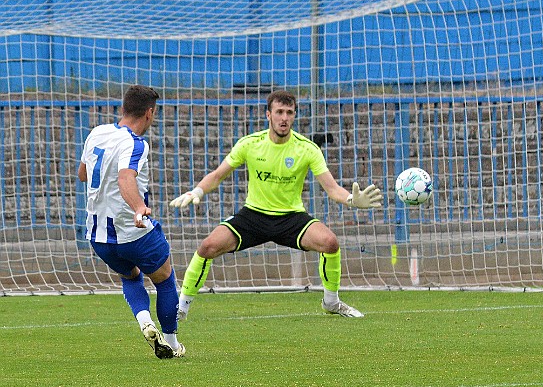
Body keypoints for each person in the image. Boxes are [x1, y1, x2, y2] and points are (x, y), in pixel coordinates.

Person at [170, 89, 382, 319]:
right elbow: (218, 174)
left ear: (294, 116)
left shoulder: (307, 148)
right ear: (268, 115)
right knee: (207, 247)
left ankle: (331, 302)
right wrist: (198, 189)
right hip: (253, 215)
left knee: (330, 242)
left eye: (289, 113)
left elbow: (332, 189)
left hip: (291, 217)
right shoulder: (250, 144)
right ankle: (182, 308)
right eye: (279, 112)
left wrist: (352, 199)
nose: (284, 118)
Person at [78, 85, 184, 359]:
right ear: (149, 113)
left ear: (123, 107)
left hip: (98, 236)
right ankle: (172, 342)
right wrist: (139, 208)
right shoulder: (136, 143)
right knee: (164, 278)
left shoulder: (96, 133)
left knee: (130, 275)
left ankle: (145, 321)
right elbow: (126, 178)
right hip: (132, 231)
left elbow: (82, 174)